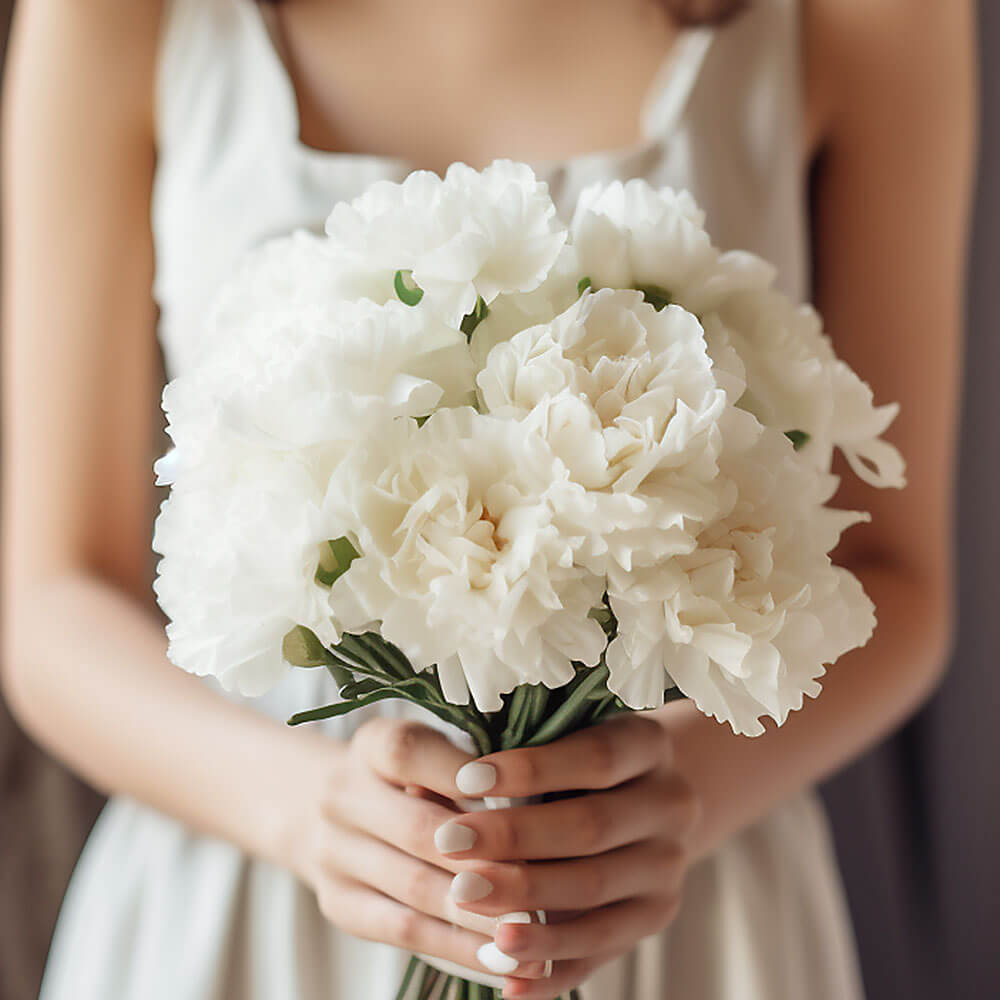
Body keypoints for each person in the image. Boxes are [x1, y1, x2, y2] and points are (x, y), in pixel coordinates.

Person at [0, 1, 975, 998]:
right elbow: (55, 599)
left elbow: (892, 580)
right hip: (242, 894)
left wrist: (673, 792)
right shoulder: (115, 16)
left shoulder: (874, 19)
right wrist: (302, 808)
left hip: (668, 892)